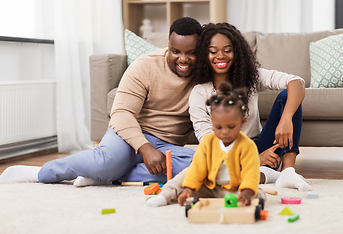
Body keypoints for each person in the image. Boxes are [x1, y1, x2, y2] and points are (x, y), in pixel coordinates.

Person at [0, 17, 203, 186]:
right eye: (176, 51)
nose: (183, 59)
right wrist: (145, 148)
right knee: (106, 161)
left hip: (168, 145)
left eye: (191, 53)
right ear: (168, 46)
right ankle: (40, 173)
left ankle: (103, 175)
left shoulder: (206, 74)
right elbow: (121, 113)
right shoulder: (146, 65)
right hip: (130, 134)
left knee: (201, 167)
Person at [147, 22, 311, 207]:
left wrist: (286, 118)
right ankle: (267, 174)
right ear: (204, 55)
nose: (220, 56)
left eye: (227, 50)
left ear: (237, 52)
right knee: (217, 175)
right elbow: (210, 143)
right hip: (228, 155)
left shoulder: (251, 77)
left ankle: (288, 170)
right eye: (213, 51)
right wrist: (255, 159)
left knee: (288, 96)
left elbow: (296, 81)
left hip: (259, 145)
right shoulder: (199, 92)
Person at [150, 82, 262, 207]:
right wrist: (189, 188)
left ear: (242, 122)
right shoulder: (208, 141)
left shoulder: (248, 146)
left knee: (256, 194)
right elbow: (198, 167)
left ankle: (247, 195)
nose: (224, 132)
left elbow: (250, 172)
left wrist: (246, 192)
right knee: (185, 175)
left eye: (231, 127)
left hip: (234, 189)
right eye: (218, 127)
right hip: (209, 187)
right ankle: (165, 195)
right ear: (212, 122)